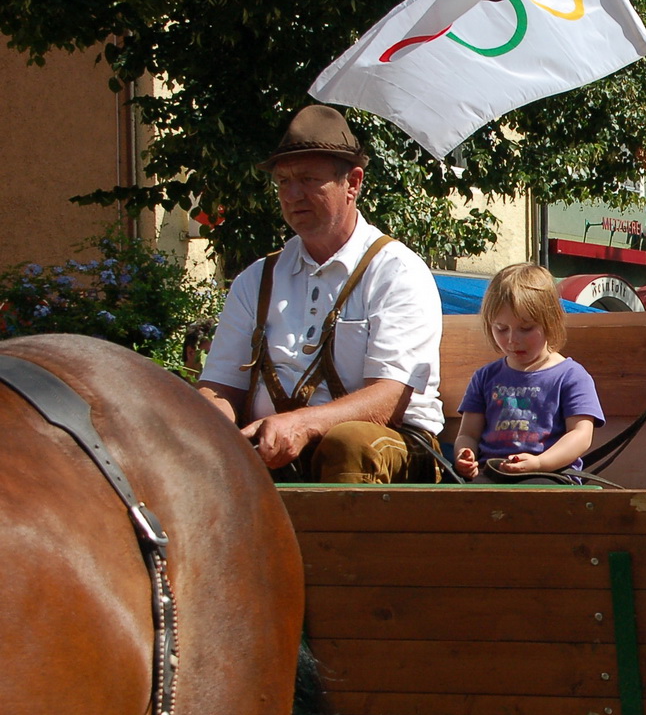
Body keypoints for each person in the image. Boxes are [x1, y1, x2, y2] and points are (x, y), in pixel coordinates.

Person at [197, 105, 445, 482]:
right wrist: (197, 425)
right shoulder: (256, 279)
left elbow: (389, 401)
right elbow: (220, 388)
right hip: (272, 448)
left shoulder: (396, 271)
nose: (293, 195)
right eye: (283, 182)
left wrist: (301, 424)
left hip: (391, 449)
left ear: (354, 183)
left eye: (309, 180)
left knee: (347, 445)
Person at [452, 264, 603, 483]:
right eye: (501, 329)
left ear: (550, 322)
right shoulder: (485, 377)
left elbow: (581, 435)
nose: (513, 339)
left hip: (550, 474)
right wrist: (465, 454)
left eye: (526, 328)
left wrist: (540, 463)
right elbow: (468, 434)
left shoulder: (571, 376)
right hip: (491, 473)